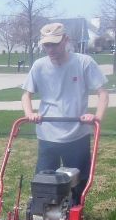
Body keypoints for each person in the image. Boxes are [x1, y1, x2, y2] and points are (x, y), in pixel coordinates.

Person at [21, 22, 109, 204]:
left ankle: (74, 216)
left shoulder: (84, 62)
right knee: (43, 180)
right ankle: (44, 215)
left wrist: (96, 117)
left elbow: (103, 93)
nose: (50, 49)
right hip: (47, 134)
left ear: (66, 40)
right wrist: (30, 113)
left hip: (77, 133)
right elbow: (26, 95)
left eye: (54, 44)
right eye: (46, 45)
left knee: (78, 180)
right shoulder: (39, 66)